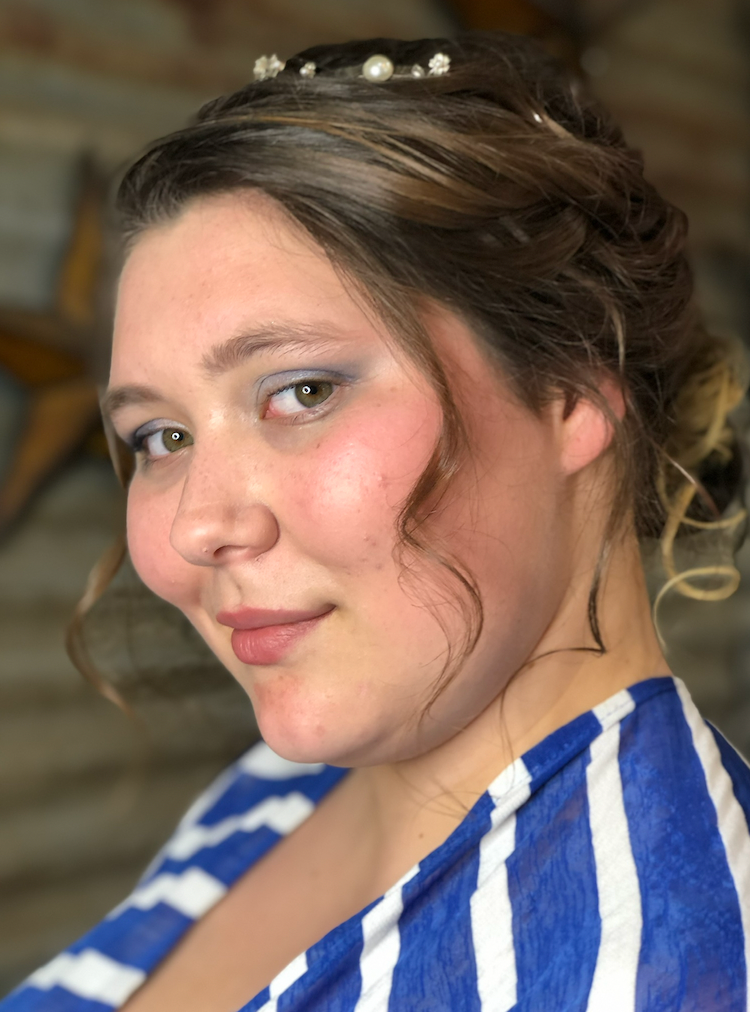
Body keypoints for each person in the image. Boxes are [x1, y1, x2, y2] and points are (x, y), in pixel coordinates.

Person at [4, 30, 750, 1012]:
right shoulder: (288, 783)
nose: (195, 528)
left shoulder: (652, 964)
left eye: (302, 389)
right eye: (160, 437)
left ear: (572, 389)